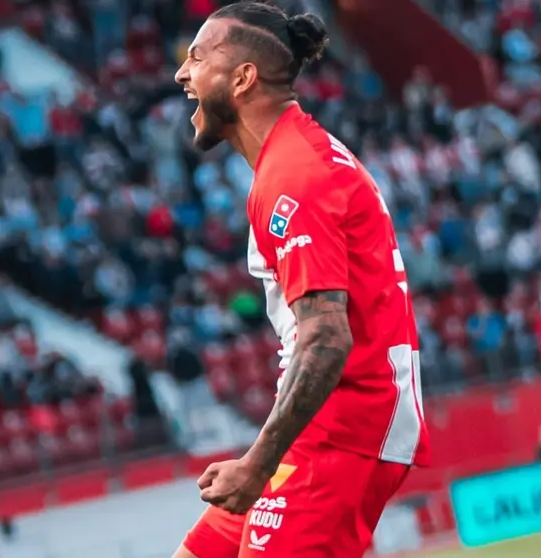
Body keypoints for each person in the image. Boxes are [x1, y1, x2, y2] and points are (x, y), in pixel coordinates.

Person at [172, 3, 430, 557]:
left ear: (242, 79)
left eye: (196, 58)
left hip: (346, 431)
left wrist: (256, 463)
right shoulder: (292, 159)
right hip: (324, 427)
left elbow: (327, 337)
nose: (181, 73)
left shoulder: (295, 176)